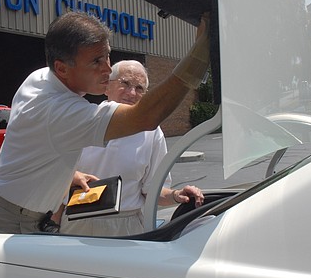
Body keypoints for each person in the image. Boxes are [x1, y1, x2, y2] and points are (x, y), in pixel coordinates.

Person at [0, 10, 210, 235]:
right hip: (12, 223)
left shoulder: (41, 79)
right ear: (62, 68)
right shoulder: (62, 112)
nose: (107, 69)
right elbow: (147, 116)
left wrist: (69, 176)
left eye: (107, 56)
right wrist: (201, 54)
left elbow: (38, 151)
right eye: (96, 61)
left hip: (18, 213)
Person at [61, 60, 204, 237]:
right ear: (106, 87)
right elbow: (49, 171)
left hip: (127, 226)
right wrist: (72, 176)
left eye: (139, 88)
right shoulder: (83, 120)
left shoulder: (151, 132)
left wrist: (176, 195)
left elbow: (152, 191)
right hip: (78, 222)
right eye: (125, 84)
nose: (131, 93)